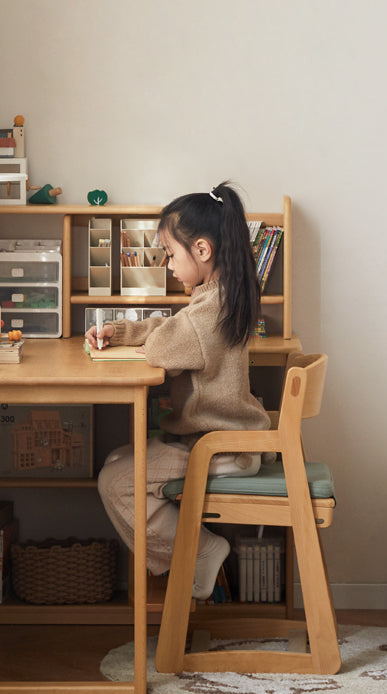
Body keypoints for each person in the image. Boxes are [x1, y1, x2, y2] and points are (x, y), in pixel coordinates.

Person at [86, 181, 270, 600]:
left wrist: (133, 336)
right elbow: (171, 330)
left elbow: (164, 343)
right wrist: (120, 331)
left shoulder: (206, 312)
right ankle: (189, 557)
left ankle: (201, 550)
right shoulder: (218, 299)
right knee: (120, 459)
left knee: (115, 481)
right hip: (225, 438)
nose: (169, 264)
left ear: (202, 250)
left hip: (219, 446)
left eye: (171, 254)